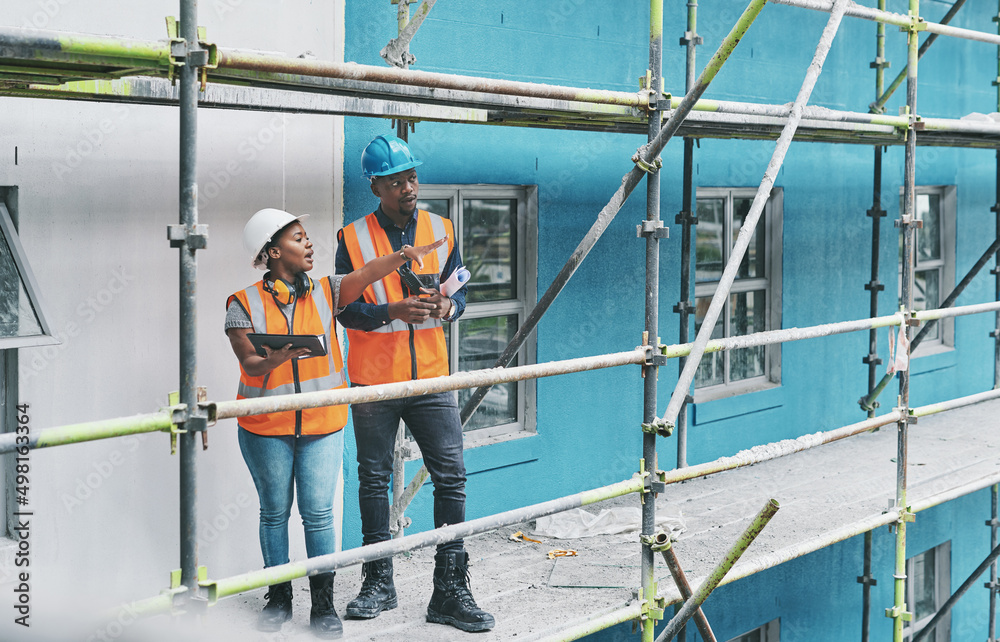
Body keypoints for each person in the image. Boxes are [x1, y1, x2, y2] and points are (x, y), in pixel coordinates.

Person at [226, 207, 445, 638]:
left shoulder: (328, 290)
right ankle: (279, 597)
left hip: (322, 425)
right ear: (272, 252)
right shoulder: (242, 302)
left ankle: (322, 603)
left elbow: (366, 272)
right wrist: (273, 360)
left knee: (319, 515)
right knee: (274, 513)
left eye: (307, 236)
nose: (309, 243)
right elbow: (249, 365)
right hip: (265, 428)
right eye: (297, 237)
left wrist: (403, 256)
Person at [335, 134, 495, 633]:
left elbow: (460, 291)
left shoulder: (441, 229)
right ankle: (378, 583)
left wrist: (449, 307)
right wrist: (392, 311)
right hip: (374, 382)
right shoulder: (352, 238)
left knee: (452, 476)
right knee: (374, 479)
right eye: (397, 181)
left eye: (412, 177)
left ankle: (449, 592)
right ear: (376, 186)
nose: (409, 187)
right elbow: (343, 308)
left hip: (430, 378)